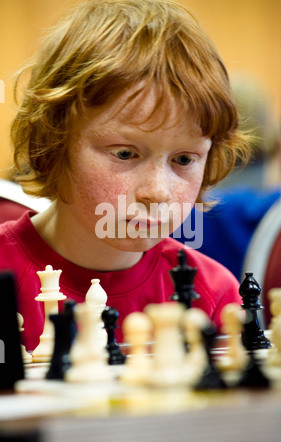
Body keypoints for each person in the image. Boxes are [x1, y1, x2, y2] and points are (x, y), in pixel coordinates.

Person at [0, 0, 250, 352]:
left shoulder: (212, 294)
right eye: (124, 153)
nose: (157, 192)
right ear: (53, 141)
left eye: (183, 159)